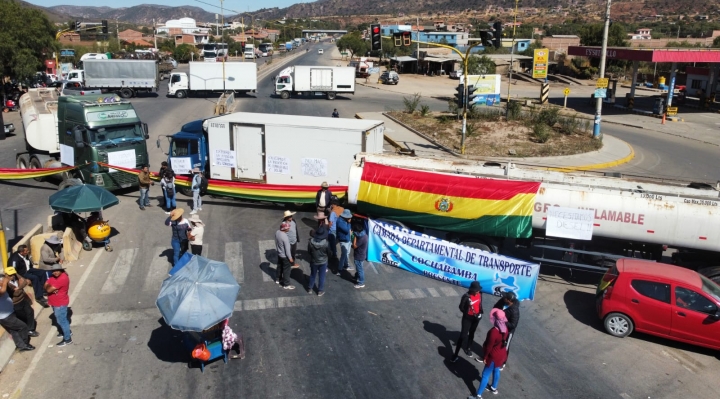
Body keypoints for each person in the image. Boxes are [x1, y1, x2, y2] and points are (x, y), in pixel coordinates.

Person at [470, 309, 509, 398]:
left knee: (485, 375)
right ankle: (493, 387)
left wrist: (485, 357)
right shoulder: (505, 329)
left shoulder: (493, 332)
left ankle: (478, 395)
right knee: (496, 370)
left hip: (493, 356)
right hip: (502, 354)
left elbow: (489, 347)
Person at [0, 270, 34, 352]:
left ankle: (20, 345)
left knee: (14, 330)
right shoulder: (4, 283)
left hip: (10, 312)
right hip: (5, 316)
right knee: (23, 326)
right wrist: (5, 281)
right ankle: (25, 344)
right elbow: (2, 292)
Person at [451, 281, 483, 362]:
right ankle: (455, 355)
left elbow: (480, 304)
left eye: (478, 290)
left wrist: (479, 313)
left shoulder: (480, 294)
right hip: (467, 318)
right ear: (472, 290)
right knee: (462, 336)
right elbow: (461, 307)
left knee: (472, 333)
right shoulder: (466, 296)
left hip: (476, 318)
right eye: (476, 290)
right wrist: (467, 313)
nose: (478, 292)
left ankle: (468, 348)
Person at [487, 291, 519, 370]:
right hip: (498, 327)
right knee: (491, 339)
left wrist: (503, 321)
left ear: (509, 300)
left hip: (508, 331)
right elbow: (495, 307)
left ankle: (502, 362)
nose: (503, 298)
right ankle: (488, 356)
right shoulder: (502, 301)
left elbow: (513, 325)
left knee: (505, 346)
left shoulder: (514, 311)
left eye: (505, 298)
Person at [5, 268, 39, 338]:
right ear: (6, 275)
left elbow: (25, 281)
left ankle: (30, 329)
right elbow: (16, 294)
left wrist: (19, 287)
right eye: (10, 275)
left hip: (23, 299)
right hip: (15, 303)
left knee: (30, 312)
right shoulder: (6, 284)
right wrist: (20, 288)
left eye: (13, 274)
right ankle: (25, 331)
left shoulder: (16, 275)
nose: (12, 276)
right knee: (22, 316)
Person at [45, 263, 72, 347]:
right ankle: (66, 332)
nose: (55, 272)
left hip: (60, 303)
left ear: (61, 270)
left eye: (57, 271)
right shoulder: (54, 277)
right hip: (55, 302)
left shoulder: (62, 278)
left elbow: (48, 290)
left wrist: (49, 288)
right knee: (61, 319)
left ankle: (67, 339)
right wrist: (49, 287)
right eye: (53, 271)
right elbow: (46, 285)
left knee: (62, 320)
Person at [307, 224, 331, 296]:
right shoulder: (326, 243)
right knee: (322, 276)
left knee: (312, 275)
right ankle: (320, 291)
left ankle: (310, 288)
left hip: (314, 261)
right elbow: (329, 253)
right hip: (323, 262)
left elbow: (309, 251)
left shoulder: (310, 242)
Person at [275, 221, 295, 289]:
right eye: (288, 228)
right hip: (285, 256)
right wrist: (290, 258)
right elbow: (287, 250)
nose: (289, 229)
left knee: (279, 266)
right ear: (285, 229)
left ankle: (278, 279)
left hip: (279, 254)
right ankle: (286, 284)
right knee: (286, 270)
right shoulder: (285, 238)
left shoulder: (277, 232)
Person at [351, 220, 368, 288]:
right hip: (361, 255)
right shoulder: (364, 235)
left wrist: (354, 236)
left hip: (359, 256)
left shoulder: (361, 238)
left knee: (360, 269)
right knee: (359, 268)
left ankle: (361, 283)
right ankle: (357, 277)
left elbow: (354, 246)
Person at [335, 209, 352, 275]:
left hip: (347, 239)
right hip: (344, 240)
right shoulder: (340, 222)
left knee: (347, 253)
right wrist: (349, 223)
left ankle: (346, 265)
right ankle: (339, 270)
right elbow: (346, 230)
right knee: (343, 255)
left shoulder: (343, 220)